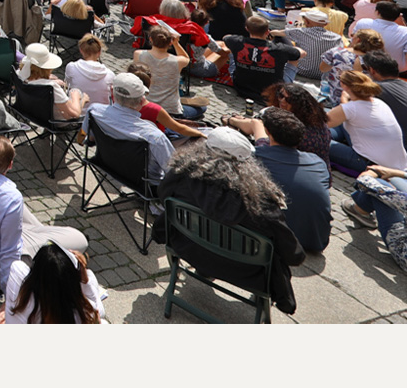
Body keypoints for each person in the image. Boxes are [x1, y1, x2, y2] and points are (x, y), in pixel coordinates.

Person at [0, 135, 87, 323]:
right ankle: (43, 236)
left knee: (18, 205)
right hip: (2, 253)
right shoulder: (11, 197)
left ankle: (39, 232)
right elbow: (9, 254)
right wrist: (9, 295)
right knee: (80, 239)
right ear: (10, 165)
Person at [152, 143, 305, 315]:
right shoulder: (261, 207)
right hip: (245, 272)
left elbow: (162, 195)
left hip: (189, 248)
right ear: (247, 164)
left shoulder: (182, 178)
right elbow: (294, 255)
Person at [252, 108, 332, 253]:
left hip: (280, 239)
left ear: (268, 132)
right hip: (316, 240)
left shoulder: (257, 157)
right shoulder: (317, 162)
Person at [83, 72, 174, 185]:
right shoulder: (154, 136)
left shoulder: (94, 111)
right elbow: (174, 171)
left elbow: (90, 138)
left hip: (108, 165)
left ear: (112, 93)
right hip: (144, 184)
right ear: (141, 101)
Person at [0, 242, 105, 324]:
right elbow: (98, 311)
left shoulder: (17, 278)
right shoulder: (78, 315)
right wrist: (85, 278)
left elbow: (20, 267)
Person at [328, 70, 407, 181]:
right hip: (397, 164)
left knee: (314, 139)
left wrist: (343, 100)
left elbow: (319, 122)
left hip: (369, 163)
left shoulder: (350, 108)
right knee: (341, 121)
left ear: (343, 85)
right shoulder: (379, 103)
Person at [224, 16, 303, 100]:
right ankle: (286, 86)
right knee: (294, 58)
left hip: (241, 87)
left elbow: (226, 37)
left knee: (231, 49)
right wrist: (292, 48)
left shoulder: (236, 41)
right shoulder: (279, 49)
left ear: (247, 29)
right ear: (267, 31)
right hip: (272, 92)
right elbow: (301, 53)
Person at [133, 22, 199, 119]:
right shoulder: (177, 61)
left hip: (146, 106)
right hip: (170, 111)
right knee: (202, 108)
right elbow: (186, 58)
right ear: (170, 42)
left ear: (150, 39)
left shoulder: (138, 54)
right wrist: (176, 43)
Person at [16, 42, 88, 120]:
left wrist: (46, 80)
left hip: (31, 113)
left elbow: (34, 81)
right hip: (53, 122)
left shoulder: (19, 75)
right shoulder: (52, 87)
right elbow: (75, 114)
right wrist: (79, 98)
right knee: (76, 92)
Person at [64, 34, 113, 105]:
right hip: (100, 114)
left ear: (81, 50)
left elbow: (69, 84)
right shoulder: (110, 75)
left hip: (78, 111)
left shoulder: (72, 67)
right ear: (99, 52)